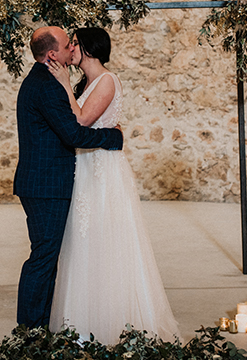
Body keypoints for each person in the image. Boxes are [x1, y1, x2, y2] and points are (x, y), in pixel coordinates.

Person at [47, 27, 181, 345]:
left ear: (90, 49)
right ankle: (82, 318)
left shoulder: (107, 80)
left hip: (103, 169)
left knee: (105, 239)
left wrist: (64, 84)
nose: (72, 49)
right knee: (84, 240)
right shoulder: (90, 82)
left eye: (76, 43)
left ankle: (112, 320)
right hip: (87, 166)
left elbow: (80, 120)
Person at [14, 26, 124, 330]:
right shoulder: (47, 85)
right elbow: (73, 132)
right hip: (46, 186)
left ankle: (41, 323)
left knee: (47, 257)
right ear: (53, 54)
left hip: (44, 183)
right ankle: (30, 329)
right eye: (67, 45)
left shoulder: (45, 81)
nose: (71, 49)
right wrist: (114, 138)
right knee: (44, 258)